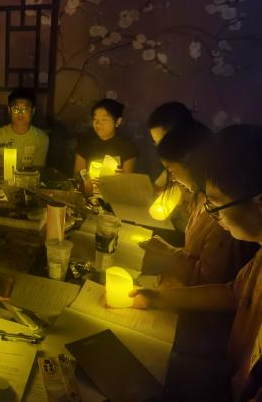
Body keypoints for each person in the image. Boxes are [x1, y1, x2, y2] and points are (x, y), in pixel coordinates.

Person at [131, 124, 262, 402]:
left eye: (215, 205)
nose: (210, 213)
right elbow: (232, 293)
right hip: (230, 374)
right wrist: (159, 297)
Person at [140, 123, 257, 286]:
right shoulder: (201, 200)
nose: (172, 179)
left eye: (171, 171)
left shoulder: (225, 220)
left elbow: (213, 282)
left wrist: (169, 254)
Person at [0, 87, 49, 174]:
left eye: (25, 109)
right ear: (9, 110)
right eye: (16, 109)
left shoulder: (41, 138)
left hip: (29, 182)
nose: (20, 113)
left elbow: (37, 170)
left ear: (33, 111)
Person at [74, 98, 137, 176]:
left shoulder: (127, 147)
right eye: (95, 119)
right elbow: (78, 175)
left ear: (118, 121)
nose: (98, 124)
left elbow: (128, 178)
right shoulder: (85, 144)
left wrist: (121, 177)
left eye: (104, 120)